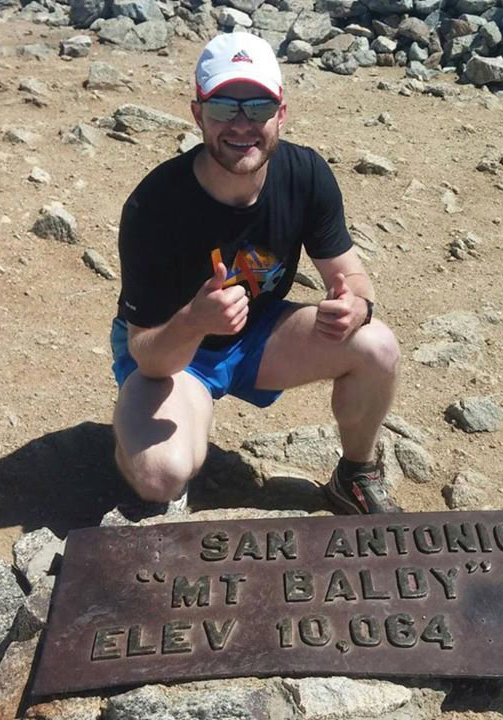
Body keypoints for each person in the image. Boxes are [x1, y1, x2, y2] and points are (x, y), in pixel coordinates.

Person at [110, 32, 402, 514]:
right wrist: (195, 321)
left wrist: (356, 305)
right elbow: (147, 352)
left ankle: (354, 475)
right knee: (159, 473)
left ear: (281, 113)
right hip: (174, 354)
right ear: (198, 114)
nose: (242, 124)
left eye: (259, 107)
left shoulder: (305, 175)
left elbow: (352, 276)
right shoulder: (155, 205)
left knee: (377, 346)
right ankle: (134, 436)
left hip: (257, 335)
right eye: (224, 108)